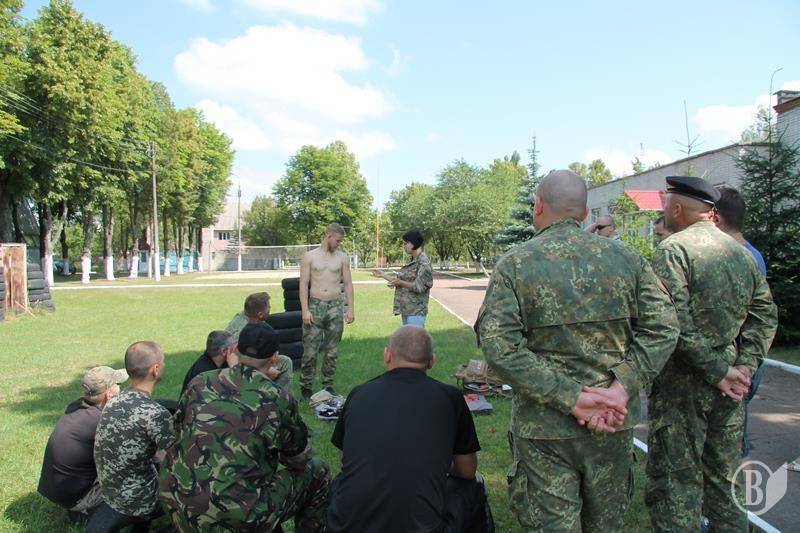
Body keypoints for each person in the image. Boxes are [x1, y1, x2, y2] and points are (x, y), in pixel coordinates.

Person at [475, 169, 679, 531]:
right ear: (585, 213)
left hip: (546, 429)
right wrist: (621, 387)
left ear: (538, 205)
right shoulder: (627, 259)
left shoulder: (516, 263)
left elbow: (498, 344)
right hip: (612, 420)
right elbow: (664, 327)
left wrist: (571, 397)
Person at [646, 176, 778, 532]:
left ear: (677, 209)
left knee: (676, 486)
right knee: (725, 483)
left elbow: (671, 321)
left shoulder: (673, 251)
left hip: (682, 391)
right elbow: (765, 316)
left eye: (665, 206)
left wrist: (720, 371)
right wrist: (744, 366)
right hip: (729, 389)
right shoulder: (740, 253)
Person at [160, 322, 330, 532]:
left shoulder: (200, 381)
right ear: (275, 357)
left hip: (178, 503)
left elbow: (176, 431)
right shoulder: (277, 397)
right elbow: (297, 458)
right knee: (318, 470)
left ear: (235, 349)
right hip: (235, 517)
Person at [327, 325, 490, 532]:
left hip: (347, 527)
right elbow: (467, 471)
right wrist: (439, 464)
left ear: (387, 355)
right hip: (423, 526)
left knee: (340, 481)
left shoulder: (359, 393)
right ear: (431, 361)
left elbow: (345, 458)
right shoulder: (450, 398)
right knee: (474, 484)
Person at [88, 341, 176, 533]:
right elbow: (182, 460)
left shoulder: (112, 402)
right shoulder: (155, 413)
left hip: (110, 494)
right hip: (141, 501)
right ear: (155, 369)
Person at [713, 185, 768, 458]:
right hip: (745, 360)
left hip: (738, 363)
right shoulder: (752, 254)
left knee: (732, 445)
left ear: (716, 219)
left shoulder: (737, 257)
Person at [37, 366, 128, 524]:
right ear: (109, 395)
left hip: (55, 488)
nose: (121, 389)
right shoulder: (103, 422)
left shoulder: (76, 406)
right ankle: (88, 512)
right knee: (134, 479)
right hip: (75, 497)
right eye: (118, 385)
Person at [299, 223, 355, 398]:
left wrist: (350, 309)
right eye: (337, 240)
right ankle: (306, 387)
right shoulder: (309, 256)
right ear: (328, 236)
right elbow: (303, 284)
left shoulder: (342, 258)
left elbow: (348, 284)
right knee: (310, 351)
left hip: (335, 306)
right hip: (315, 305)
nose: (339, 244)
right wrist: (305, 310)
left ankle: (328, 385)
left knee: (332, 351)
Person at [225, 291, 293, 391]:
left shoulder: (249, 317)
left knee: (284, 360)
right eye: (268, 307)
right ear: (260, 314)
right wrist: (267, 370)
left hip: (249, 362)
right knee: (285, 363)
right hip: (240, 369)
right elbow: (232, 358)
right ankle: (281, 398)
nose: (270, 309)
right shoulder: (241, 329)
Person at [372, 230, 434, 327]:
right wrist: (383, 275)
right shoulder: (413, 260)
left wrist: (400, 282)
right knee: (408, 337)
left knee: (414, 337)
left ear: (413, 244)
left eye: (405, 243)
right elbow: (401, 280)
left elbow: (419, 287)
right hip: (408, 310)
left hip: (416, 312)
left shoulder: (423, 262)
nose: (404, 246)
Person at [180, 330, 237, 396]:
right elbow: (233, 394)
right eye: (233, 347)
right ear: (224, 351)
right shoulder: (204, 373)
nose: (236, 349)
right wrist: (233, 368)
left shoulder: (221, 362)